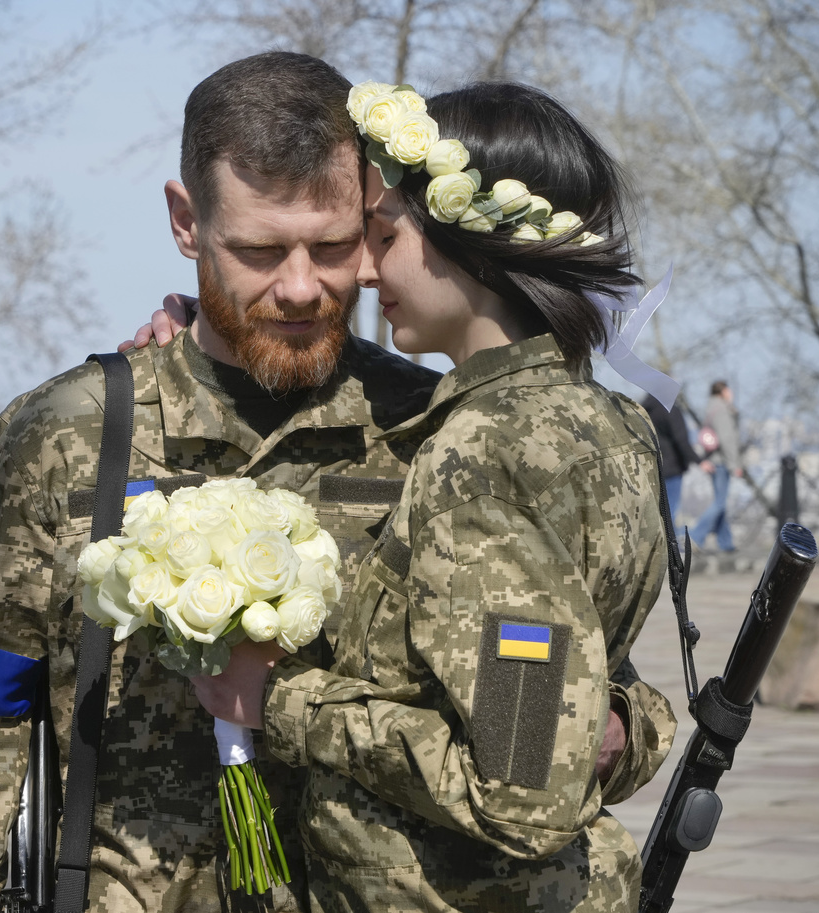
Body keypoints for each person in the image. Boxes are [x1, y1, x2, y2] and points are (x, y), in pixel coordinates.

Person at [0, 54, 672, 913]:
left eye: (334, 246)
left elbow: (585, 688)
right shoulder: (71, 435)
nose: (301, 287)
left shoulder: (438, 430)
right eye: (258, 250)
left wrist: (604, 735)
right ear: (187, 223)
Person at [192, 80, 677, 912]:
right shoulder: (606, 423)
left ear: (464, 244)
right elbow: (571, 707)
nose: (368, 268)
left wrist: (277, 698)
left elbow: (522, 794)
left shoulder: (481, 454)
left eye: (385, 236)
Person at [690, 380, 742, 552]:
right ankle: (695, 536)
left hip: (714, 460)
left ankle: (726, 542)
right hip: (721, 462)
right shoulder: (721, 410)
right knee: (719, 502)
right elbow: (727, 438)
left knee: (721, 502)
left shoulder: (711, 408)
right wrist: (734, 464)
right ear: (723, 391)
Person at [643, 394, 702, 530]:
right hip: (671, 466)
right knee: (670, 511)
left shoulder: (642, 409)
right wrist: (697, 460)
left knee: (656, 512)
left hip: (649, 466)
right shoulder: (670, 410)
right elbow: (681, 439)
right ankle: (671, 548)